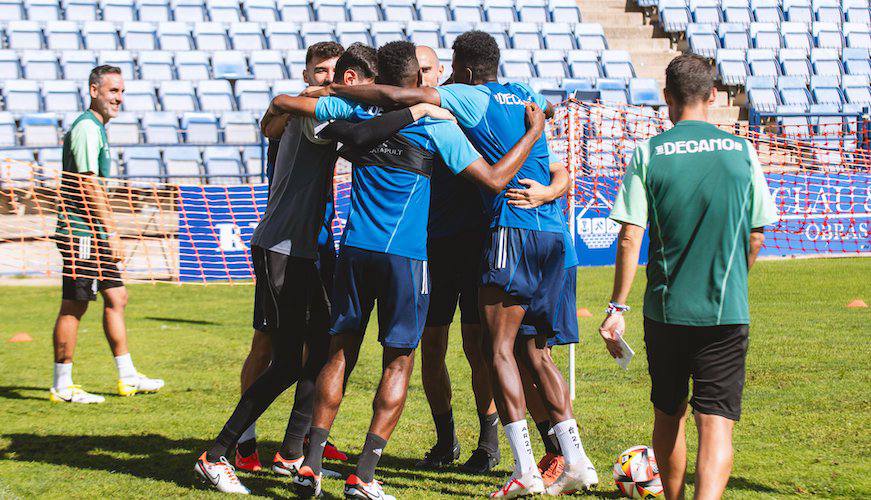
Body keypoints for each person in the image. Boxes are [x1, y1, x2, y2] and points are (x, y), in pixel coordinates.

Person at [322, 31, 598, 497]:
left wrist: (335, 89)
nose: (436, 78)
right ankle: (570, 460)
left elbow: (392, 96)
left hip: (501, 233)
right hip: (537, 238)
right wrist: (549, 183)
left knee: (495, 350)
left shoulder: (459, 100)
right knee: (525, 351)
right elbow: (553, 159)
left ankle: (522, 463)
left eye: (441, 69)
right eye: (428, 71)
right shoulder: (527, 95)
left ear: (461, 71)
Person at [267, 40, 545, 499]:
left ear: (376, 81)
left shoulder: (354, 112)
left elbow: (291, 103)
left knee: (339, 355)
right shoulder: (438, 124)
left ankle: (310, 466)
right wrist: (532, 135)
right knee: (399, 361)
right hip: (407, 257)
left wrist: (315, 94)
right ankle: (366, 475)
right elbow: (495, 180)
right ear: (417, 81)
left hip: (355, 249)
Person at [193, 43, 450, 494]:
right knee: (287, 358)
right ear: (353, 82)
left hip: (310, 248)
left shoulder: (325, 106)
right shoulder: (317, 113)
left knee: (320, 354)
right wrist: (419, 109)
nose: (378, 98)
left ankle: (293, 453)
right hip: (283, 247)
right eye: (373, 89)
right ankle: (219, 453)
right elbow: (359, 134)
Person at [598, 54, 779, 500]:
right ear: (713, 95)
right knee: (715, 424)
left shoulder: (648, 153)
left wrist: (617, 306)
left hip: (666, 312)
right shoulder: (742, 150)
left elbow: (629, 237)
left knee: (668, 415)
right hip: (725, 310)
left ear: (666, 98)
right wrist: (732, 280)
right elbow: (756, 236)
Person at [233, 40, 350, 475]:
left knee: (319, 345)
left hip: (319, 246)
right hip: (281, 244)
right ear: (306, 75)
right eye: (320, 71)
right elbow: (271, 123)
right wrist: (315, 97)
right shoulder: (290, 118)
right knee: (268, 344)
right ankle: (244, 443)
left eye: (337, 72)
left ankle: (300, 440)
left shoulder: (325, 112)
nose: (328, 78)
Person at [51, 65, 164, 404]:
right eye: (113, 91)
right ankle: (62, 383)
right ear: (94, 90)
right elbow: (87, 184)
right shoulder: (87, 128)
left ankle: (127, 377)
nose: (119, 98)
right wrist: (111, 231)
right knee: (75, 304)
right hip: (82, 232)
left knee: (117, 298)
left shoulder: (97, 128)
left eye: (122, 92)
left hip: (94, 232)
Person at [412, 44, 500, 473]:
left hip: (477, 243)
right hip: (431, 248)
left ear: (442, 70)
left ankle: (488, 444)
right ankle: (445, 441)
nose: (423, 76)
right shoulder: (411, 114)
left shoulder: (464, 103)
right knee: (432, 347)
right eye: (416, 70)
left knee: (477, 348)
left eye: (428, 68)